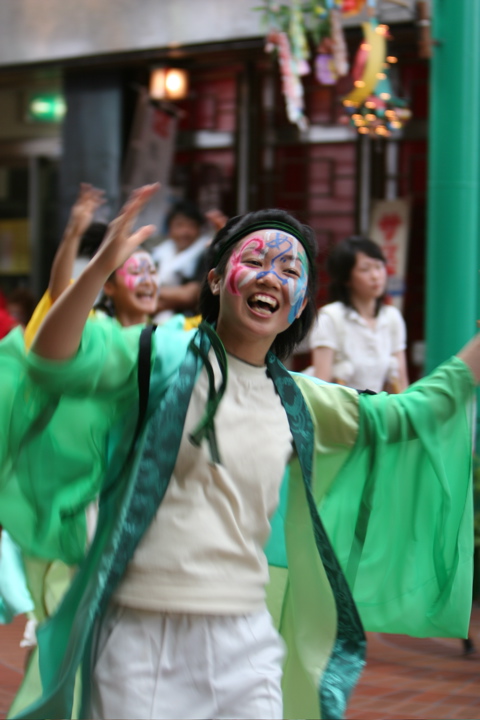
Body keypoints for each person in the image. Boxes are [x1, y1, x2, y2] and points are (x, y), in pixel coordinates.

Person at [0, 184, 478, 720]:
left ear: (299, 304)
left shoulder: (300, 398)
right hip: (138, 632)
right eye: (253, 260)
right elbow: (48, 358)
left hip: (246, 639)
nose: (271, 276)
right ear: (214, 279)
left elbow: (412, 412)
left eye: (290, 272)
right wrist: (97, 269)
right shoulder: (157, 354)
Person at [310, 235, 409, 393]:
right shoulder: (330, 317)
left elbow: (402, 381)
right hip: (342, 412)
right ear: (346, 278)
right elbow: (320, 385)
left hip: (378, 411)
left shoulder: (392, 317)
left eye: (379, 266)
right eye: (365, 269)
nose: (375, 276)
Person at [152, 200, 227, 324]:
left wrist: (149, 292)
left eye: (191, 226)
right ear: (169, 229)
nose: (185, 232)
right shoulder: (159, 252)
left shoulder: (205, 252)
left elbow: (190, 295)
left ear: (199, 229)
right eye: (179, 225)